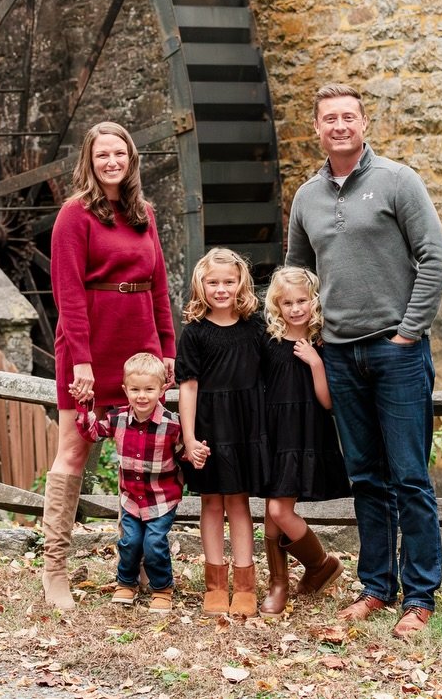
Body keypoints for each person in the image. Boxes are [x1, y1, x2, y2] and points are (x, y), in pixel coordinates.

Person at [286, 83, 442, 639]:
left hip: (395, 352)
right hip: (338, 354)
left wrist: (409, 333)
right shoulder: (306, 197)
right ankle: (377, 588)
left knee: (408, 476)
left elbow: (436, 259)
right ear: (317, 128)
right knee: (366, 478)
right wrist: (305, 340)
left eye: (348, 117)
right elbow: (297, 277)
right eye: (329, 118)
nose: (339, 126)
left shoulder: (398, 181)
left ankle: (420, 595)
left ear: (364, 123)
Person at [42, 121, 176, 610]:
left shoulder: (144, 214)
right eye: (102, 155)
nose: (112, 162)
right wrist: (81, 362)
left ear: (131, 159)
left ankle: (140, 565)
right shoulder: (73, 216)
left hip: (138, 350)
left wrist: (168, 350)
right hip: (90, 348)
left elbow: (159, 287)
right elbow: (69, 294)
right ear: (90, 161)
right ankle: (54, 570)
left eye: (119, 153)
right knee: (74, 454)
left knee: (142, 457)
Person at [176, 247, 267, 618]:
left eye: (229, 281)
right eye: (213, 282)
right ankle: (215, 584)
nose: (221, 288)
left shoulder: (255, 328)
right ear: (201, 285)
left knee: (239, 502)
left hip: (246, 426)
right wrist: (189, 438)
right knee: (211, 503)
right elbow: (188, 386)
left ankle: (245, 584)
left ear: (241, 283)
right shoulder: (195, 334)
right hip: (208, 428)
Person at [258, 265, 350, 617]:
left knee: (281, 510)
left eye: (302, 301)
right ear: (277, 306)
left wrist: (315, 362)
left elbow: (328, 402)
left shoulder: (324, 342)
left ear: (314, 300)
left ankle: (321, 564)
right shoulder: (269, 340)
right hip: (275, 433)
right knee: (271, 513)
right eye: (287, 303)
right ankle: (278, 584)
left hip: (306, 432)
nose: (296, 309)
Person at [75, 352, 186, 611]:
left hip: (161, 499)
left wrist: (196, 454)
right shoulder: (118, 419)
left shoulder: (172, 425)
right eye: (135, 389)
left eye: (149, 389)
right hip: (131, 498)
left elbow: (184, 453)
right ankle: (126, 582)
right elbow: (92, 432)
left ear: (162, 390)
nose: (142, 396)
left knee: (154, 543)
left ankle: (162, 588)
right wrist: (84, 406)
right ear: (125, 390)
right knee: (129, 541)